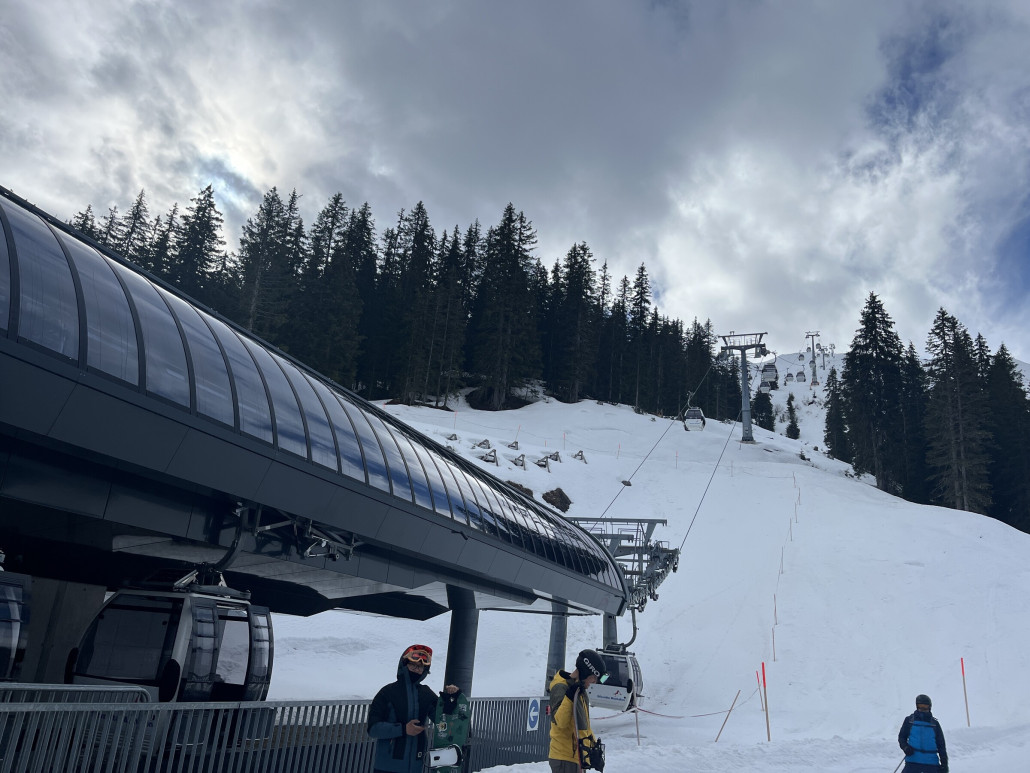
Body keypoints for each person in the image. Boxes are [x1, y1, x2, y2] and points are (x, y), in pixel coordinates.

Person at [367, 644, 462, 773]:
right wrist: (403, 729)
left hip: (416, 767)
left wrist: (452, 699)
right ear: (404, 664)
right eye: (413, 665)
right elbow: (373, 729)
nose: (417, 669)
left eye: (421, 667)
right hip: (387, 767)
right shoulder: (387, 692)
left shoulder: (426, 693)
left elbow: (442, 720)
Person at [548, 648, 608, 772]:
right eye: (593, 679)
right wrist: (569, 697)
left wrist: (593, 749)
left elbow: (584, 726)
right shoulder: (561, 687)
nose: (594, 683)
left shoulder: (579, 690)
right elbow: (560, 722)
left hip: (577, 757)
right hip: (564, 757)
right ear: (587, 673)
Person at [898, 694, 948, 773]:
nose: (923, 709)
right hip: (913, 761)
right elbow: (902, 737)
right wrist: (905, 747)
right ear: (917, 706)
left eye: (925, 707)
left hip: (931, 763)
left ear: (929, 707)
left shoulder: (934, 724)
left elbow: (941, 745)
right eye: (920, 706)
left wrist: (944, 764)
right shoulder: (910, 721)